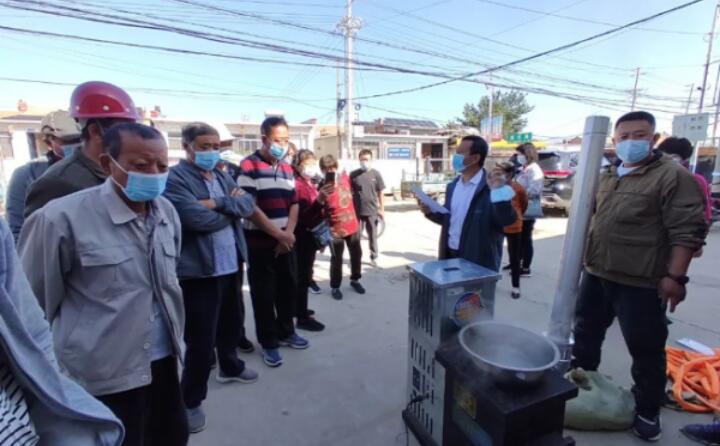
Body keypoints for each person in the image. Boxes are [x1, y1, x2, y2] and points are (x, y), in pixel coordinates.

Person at [18, 123, 189, 446]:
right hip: (101, 377)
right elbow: (29, 309)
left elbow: (168, 280)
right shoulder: (59, 218)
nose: (154, 174)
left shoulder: (166, 212)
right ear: (108, 164)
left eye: (162, 166)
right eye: (141, 166)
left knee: (171, 437)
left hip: (164, 364)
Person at [571, 111, 707, 442]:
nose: (631, 142)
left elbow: (687, 231)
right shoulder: (606, 176)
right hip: (598, 272)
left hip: (641, 281)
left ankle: (647, 409)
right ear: (614, 141)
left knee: (645, 349)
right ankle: (582, 388)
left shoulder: (672, 177)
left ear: (653, 138)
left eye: (640, 135)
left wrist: (675, 278)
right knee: (586, 335)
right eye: (624, 137)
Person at [164, 122, 263, 433]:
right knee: (200, 339)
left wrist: (220, 203)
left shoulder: (222, 174)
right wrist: (232, 208)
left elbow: (248, 204)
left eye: (215, 146)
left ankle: (230, 366)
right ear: (187, 147)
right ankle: (190, 400)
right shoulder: (175, 178)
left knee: (232, 324)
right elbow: (194, 219)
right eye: (204, 146)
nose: (211, 151)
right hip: (199, 271)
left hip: (231, 264)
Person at [0, 217, 124, 445]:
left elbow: (32, 333)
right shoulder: (56, 211)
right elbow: (41, 284)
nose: (156, 180)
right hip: (94, 362)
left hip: (28, 428)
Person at [237, 116, 309, 368]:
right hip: (260, 245)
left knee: (287, 290)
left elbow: (295, 203)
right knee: (264, 295)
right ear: (264, 139)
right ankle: (269, 342)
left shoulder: (287, 168)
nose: (283, 145)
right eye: (278, 140)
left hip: (287, 242)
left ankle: (287, 331)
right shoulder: (248, 166)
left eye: (286, 140)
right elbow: (249, 207)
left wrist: (287, 234)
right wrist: (277, 235)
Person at [24, 81, 138, 217]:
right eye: (124, 129)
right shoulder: (56, 184)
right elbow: (40, 235)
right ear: (95, 132)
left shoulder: (127, 172)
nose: (132, 136)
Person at [419, 135, 516, 271]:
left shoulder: (496, 186)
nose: (455, 157)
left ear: (475, 158)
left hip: (478, 263)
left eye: (459, 153)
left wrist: (498, 192)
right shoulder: (452, 186)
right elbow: (450, 220)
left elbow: (508, 220)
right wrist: (430, 212)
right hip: (449, 257)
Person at [6, 110, 81, 241]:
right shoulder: (27, 175)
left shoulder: (95, 170)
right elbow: (17, 230)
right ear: (48, 142)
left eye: (78, 140)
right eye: (66, 141)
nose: (74, 145)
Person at [291, 149, 331, 331]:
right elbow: (303, 216)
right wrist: (320, 201)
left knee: (304, 275)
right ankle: (301, 318)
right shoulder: (298, 186)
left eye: (313, 162)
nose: (311, 167)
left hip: (310, 236)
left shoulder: (308, 183)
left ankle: (299, 309)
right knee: (302, 277)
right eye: (308, 163)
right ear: (298, 165)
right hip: (302, 237)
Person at [320, 155, 365, 300]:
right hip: (335, 230)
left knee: (356, 254)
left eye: (332, 169)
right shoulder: (321, 186)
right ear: (322, 170)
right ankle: (335, 286)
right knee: (336, 259)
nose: (330, 172)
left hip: (352, 225)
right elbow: (319, 209)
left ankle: (355, 279)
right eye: (327, 170)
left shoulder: (346, 178)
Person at [658, 137, 713, 225]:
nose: (667, 160)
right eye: (663, 156)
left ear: (685, 159)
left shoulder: (696, 180)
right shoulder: (653, 177)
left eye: (673, 157)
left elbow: (704, 211)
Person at [350, 149, 385, 267]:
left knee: (372, 236)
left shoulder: (376, 174)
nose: (364, 162)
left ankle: (373, 256)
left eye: (366, 159)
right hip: (356, 212)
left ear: (371, 160)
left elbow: (380, 192)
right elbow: (349, 193)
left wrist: (382, 209)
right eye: (362, 160)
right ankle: (356, 257)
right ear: (359, 160)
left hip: (372, 211)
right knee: (356, 237)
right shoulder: (354, 175)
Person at [498, 162, 528, 299]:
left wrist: (516, 216)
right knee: (493, 254)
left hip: (514, 226)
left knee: (514, 258)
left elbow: (524, 204)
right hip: (497, 225)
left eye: (501, 172)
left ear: (509, 174)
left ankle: (516, 287)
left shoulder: (518, 188)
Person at [514, 142, 544, 277]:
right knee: (518, 238)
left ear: (527, 154)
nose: (518, 157)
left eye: (520, 154)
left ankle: (526, 267)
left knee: (525, 239)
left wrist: (519, 193)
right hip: (519, 208)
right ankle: (516, 261)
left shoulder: (534, 170)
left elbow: (534, 190)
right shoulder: (524, 168)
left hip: (527, 208)